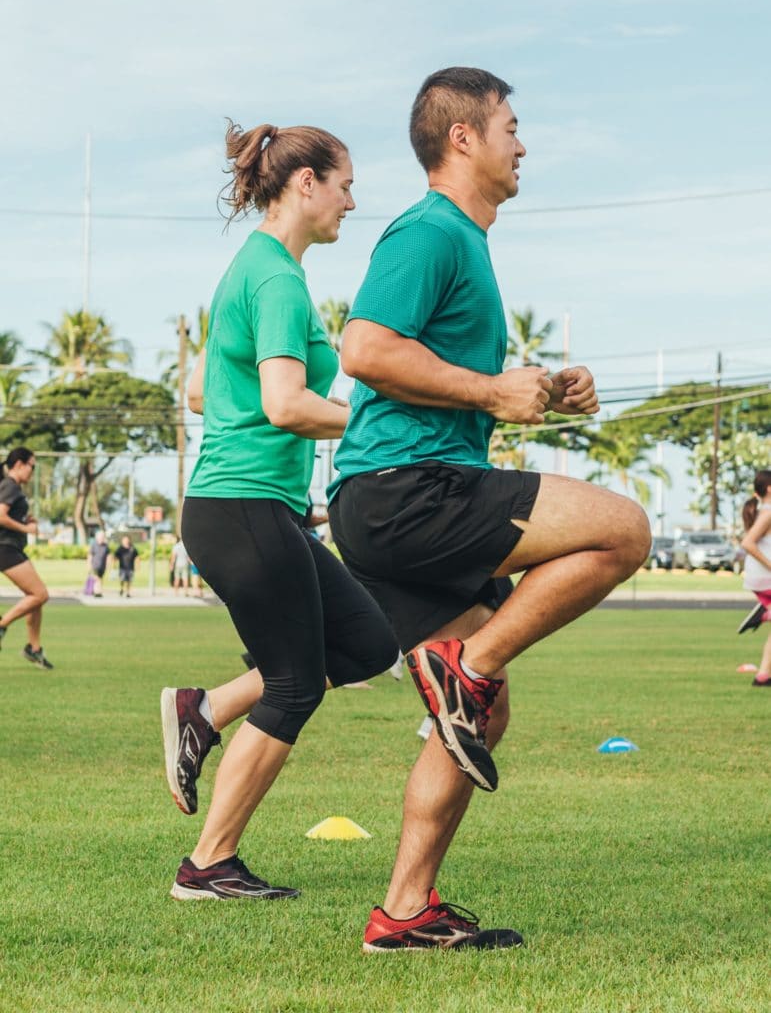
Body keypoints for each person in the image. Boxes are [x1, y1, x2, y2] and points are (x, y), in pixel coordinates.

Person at [327, 67, 651, 952]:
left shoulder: (466, 242)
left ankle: (402, 911)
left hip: (388, 500)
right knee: (623, 529)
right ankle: (464, 665)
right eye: (510, 124)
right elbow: (362, 349)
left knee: (485, 712)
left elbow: (450, 384)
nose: (522, 141)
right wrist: (486, 389)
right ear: (462, 136)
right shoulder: (430, 231)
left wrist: (540, 390)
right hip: (403, 491)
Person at [160, 118, 398, 901]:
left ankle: (210, 706)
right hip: (240, 507)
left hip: (255, 507)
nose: (352, 202)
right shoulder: (272, 279)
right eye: (345, 183)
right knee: (296, 684)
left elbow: (201, 389)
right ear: (306, 183)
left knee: (364, 647)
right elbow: (288, 404)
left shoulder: (268, 274)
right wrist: (382, 434)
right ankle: (208, 865)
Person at [0, 447, 53, 669]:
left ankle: (34, 648)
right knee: (40, 594)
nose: (33, 470)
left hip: (12, 547)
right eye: (32, 465)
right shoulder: (10, 485)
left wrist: (24, 520)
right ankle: (2, 625)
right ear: (19, 464)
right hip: (5, 548)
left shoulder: (13, 488)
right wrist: (26, 528)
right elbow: (0, 516)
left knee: (36, 598)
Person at [736, 469, 771, 685]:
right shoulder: (767, 512)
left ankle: (763, 675)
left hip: (761, 576)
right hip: (765, 576)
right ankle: (765, 614)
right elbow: (748, 543)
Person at [88, 529, 109, 598]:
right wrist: (89, 565)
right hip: (95, 565)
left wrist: (108, 565)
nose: (101, 538)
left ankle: (98, 591)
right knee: (96, 578)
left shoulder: (106, 546)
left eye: (102, 537)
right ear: (97, 537)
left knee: (100, 578)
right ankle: (96, 591)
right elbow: (90, 555)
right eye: (100, 537)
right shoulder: (94, 545)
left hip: (102, 566)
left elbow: (108, 556)